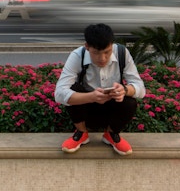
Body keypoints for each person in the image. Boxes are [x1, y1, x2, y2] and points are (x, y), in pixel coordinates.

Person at [54, 23, 145, 155]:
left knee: (129, 101)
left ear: (112, 45)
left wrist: (124, 90)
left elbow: (140, 88)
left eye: (107, 52)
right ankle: (82, 132)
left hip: (112, 109)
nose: (102, 59)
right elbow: (59, 93)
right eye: (96, 53)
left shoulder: (121, 53)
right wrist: (91, 96)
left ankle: (111, 134)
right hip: (86, 109)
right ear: (87, 47)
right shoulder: (77, 55)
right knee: (74, 89)